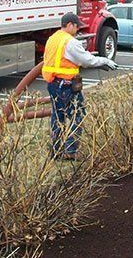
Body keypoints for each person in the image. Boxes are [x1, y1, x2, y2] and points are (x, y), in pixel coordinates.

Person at [42, 12, 117, 159]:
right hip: (66, 86)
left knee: (57, 117)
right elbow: (86, 60)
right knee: (78, 115)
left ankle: (56, 151)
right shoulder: (70, 42)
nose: (78, 30)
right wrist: (104, 61)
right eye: (76, 27)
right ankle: (70, 151)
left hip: (53, 84)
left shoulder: (53, 38)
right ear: (70, 25)